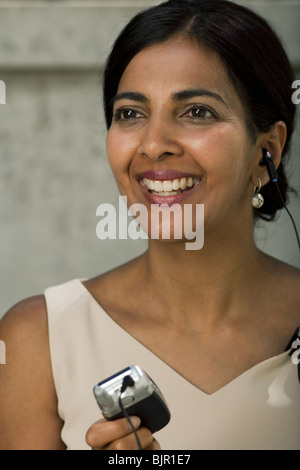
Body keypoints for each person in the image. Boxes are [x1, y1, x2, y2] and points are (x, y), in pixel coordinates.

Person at [0, 0, 300, 451]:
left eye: (197, 111)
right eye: (131, 114)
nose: (153, 144)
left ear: (267, 152)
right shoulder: (35, 340)